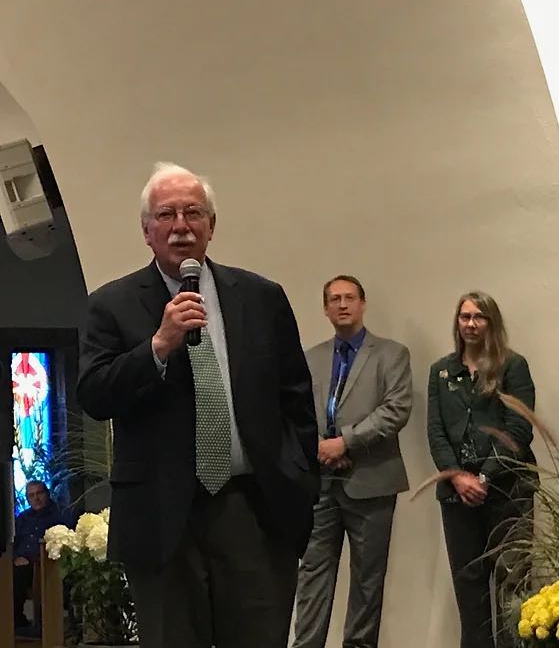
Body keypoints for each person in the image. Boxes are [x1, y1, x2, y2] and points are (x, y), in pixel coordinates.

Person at [77, 162, 319, 648]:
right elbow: (95, 394)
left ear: (212, 226)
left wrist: (297, 476)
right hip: (163, 518)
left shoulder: (260, 296)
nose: (181, 226)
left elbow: (295, 397)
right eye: (166, 215)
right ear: (147, 231)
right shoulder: (112, 304)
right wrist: (157, 347)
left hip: (252, 510)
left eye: (193, 213)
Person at [292, 275, 412, 648]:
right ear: (325, 309)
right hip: (321, 484)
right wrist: (318, 447)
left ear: (362, 304)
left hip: (372, 482)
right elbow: (295, 413)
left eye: (349, 298)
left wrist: (345, 443)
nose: (342, 305)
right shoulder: (310, 358)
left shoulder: (392, 354)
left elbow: (396, 410)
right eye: (334, 299)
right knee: (312, 573)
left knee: (367, 578)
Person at [427, 291, 536, 648]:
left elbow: (518, 429)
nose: (471, 324)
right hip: (457, 494)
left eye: (479, 317)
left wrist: (484, 476)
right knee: (469, 583)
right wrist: (458, 476)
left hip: (507, 489)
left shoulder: (512, 365)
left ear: (491, 322)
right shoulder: (441, 371)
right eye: (464, 317)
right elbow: (436, 431)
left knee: (512, 580)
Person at [12, 480, 66, 630]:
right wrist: (15, 557)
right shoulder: (22, 518)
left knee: (20, 575)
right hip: (19, 562)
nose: (36, 498)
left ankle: (21, 623)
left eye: (39, 493)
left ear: (47, 494)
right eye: (31, 495)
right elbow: (13, 543)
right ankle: (12, 624)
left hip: (44, 564)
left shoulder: (58, 515)